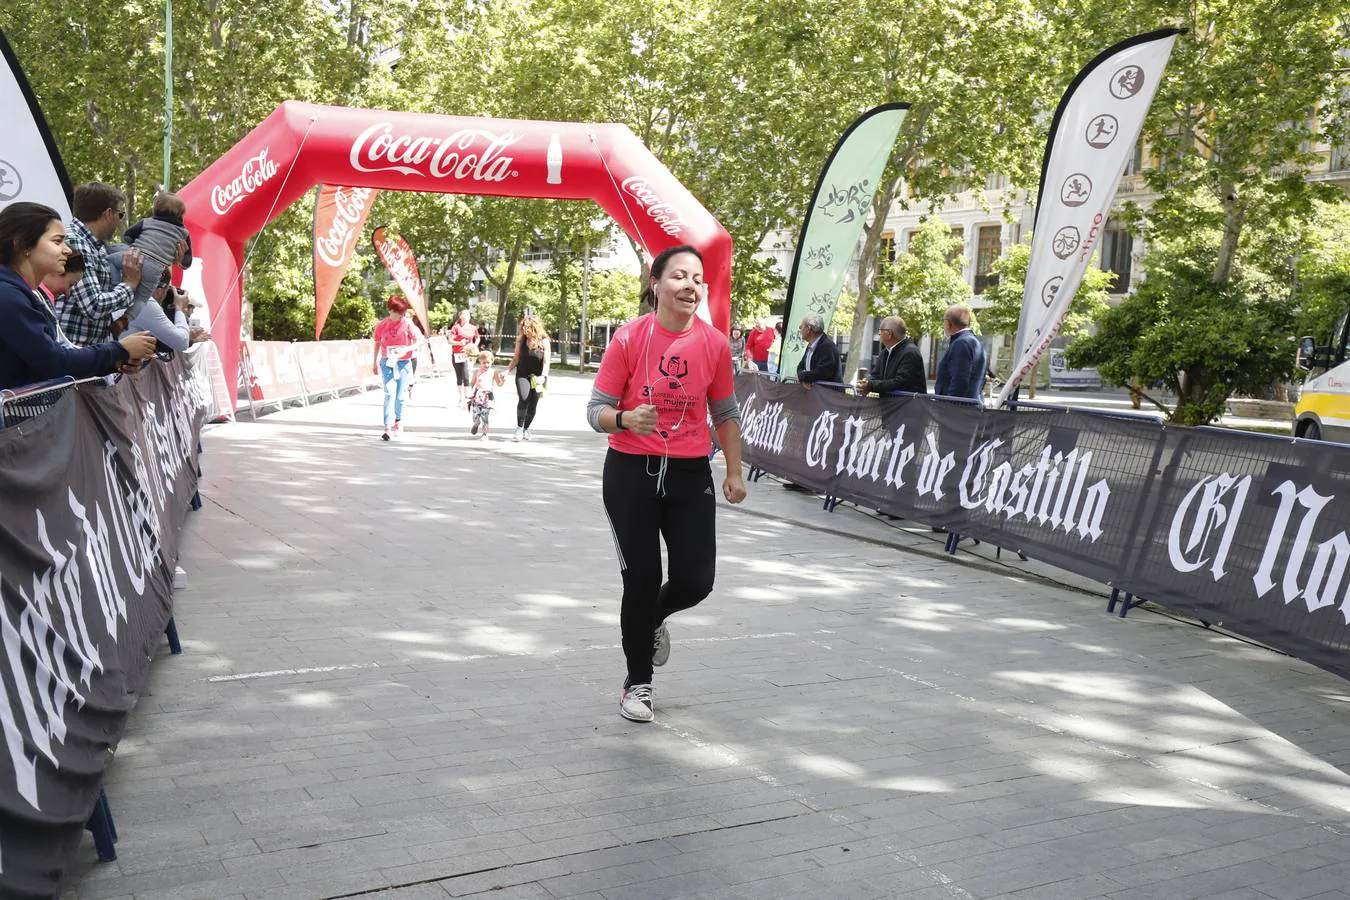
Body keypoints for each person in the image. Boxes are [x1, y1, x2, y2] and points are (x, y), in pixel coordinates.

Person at [585, 244, 747, 724]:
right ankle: (638, 682)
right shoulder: (629, 338)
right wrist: (625, 418)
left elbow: (725, 413)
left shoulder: (715, 344)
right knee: (641, 578)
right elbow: (595, 411)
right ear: (656, 284)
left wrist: (734, 471)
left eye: (698, 279)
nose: (690, 286)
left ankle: (652, 619)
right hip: (631, 472)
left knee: (697, 581)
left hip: (689, 472)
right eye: (679, 276)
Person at [0, 202, 156, 391]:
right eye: (57, 242)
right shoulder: (8, 296)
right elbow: (54, 362)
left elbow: (56, 357)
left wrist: (116, 360)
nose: (67, 250)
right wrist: (119, 350)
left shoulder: (29, 293)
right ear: (23, 244)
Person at [57, 182, 144, 346]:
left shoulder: (97, 247)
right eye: (121, 214)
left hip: (88, 354)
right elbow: (94, 306)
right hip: (72, 353)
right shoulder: (75, 242)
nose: (120, 222)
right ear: (109, 214)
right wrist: (129, 284)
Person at [115, 192, 192, 307]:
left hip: (135, 258)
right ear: (181, 215)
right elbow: (187, 261)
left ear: (155, 211)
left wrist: (139, 245)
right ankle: (128, 317)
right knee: (142, 300)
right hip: (156, 270)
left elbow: (127, 236)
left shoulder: (147, 222)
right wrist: (176, 259)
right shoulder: (183, 233)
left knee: (111, 257)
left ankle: (114, 285)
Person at [372, 295, 419, 441]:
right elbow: (377, 343)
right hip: (387, 362)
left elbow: (419, 341)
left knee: (399, 395)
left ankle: (398, 420)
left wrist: (407, 349)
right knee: (389, 393)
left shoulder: (408, 324)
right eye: (399, 312)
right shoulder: (382, 325)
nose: (401, 315)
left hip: (403, 362)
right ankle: (387, 427)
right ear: (391, 310)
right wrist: (374, 363)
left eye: (403, 313)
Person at [501, 312, 551, 441]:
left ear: (535, 327)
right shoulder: (521, 340)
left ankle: (526, 429)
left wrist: (543, 376)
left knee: (533, 404)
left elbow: (546, 362)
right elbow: (516, 358)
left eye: (527, 327)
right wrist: (507, 371)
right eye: (523, 327)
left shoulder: (544, 341)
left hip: (538, 377)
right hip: (523, 374)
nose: (524, 330)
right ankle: (519, 428)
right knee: (524, 398)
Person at [857, 316, 927, 396]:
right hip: (889, 406)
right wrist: (865, 383)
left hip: (906, 406)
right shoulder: (885, 352)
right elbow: (876, 375)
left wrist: (870, 385)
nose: (879, 334)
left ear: (889, 334)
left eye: (880, 331)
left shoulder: (910, 352)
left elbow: (900, 382)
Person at [126, 269, 192, 352]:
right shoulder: (146, 303)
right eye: (167, 290)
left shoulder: (129, 293)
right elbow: (182, 342)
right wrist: (179, 308)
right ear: (159, 291)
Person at [935, 304, 987, 399]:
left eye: (944, 321)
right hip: (968, 406)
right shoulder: (975, 342)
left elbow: (959, 380)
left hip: (956, 409)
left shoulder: (961, 343)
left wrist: (949, 405)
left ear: (949, 323)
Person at [795, 313, 841, 387]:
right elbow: (800, 367)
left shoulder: (827, 346)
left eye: (801, 327)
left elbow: (823, 371)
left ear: (808, 329)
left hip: (829, 395)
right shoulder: (811, 345)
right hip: (817, 394)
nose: (800, 328)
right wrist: (804, 377)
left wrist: (803, 376)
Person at [449, 309, 480, 405]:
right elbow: (450, 341)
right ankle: (461, 397)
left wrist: (474, 345)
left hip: (468, 354)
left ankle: (466, 396)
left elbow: (478, 338)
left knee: (466, 375)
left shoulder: (473, 328)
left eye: (468, 315)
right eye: (464, 315)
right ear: (460, 317)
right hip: (457, 354)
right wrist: (459, 342)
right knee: (459, 377)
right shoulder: (456, 328)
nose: (466, 317)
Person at [468, 350, 496, 440]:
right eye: (484, 363)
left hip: (488, 397)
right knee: (475, 416)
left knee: (485, 416)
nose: (486, 365)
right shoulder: (476, 372)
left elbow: (499, 384)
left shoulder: (493, 372)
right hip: (477, 397)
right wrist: (469, 392)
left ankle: (485, 434)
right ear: (480, 361)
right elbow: (472, 383)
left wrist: (503, 380)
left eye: (488, 362)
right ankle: (476, 424)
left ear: (492, 361)